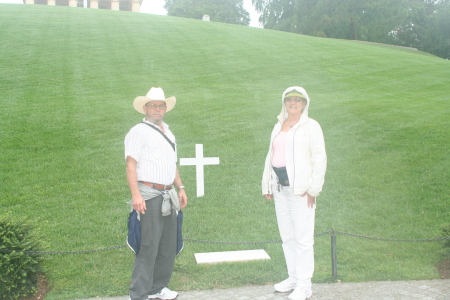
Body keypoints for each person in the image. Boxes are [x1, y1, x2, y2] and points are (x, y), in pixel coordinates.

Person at [262, 86, 327, 300]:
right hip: (280, 189)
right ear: (284, 102)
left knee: (303, 238)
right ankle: (293, 278)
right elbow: (271, 156)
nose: (293, 103)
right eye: (289, 99)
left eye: (297, 100)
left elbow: (319, 159)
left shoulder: (311, 126)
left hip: (301, 191)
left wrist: (313, 189)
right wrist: (268, 185)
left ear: (304, 103)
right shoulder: (278, 126)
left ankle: (305, 285)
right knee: (287, 236)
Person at [125, 87, 188, 300]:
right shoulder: (137, 131)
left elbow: (172, 165)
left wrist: (181, 187)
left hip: (168, 194)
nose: (157, 109)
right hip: (149, 196)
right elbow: (131, 165)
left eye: (161, 105)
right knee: (149, 246)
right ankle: (139, 294)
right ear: (145, 108)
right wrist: (136, 195)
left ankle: (157, 287)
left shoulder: (168, 132)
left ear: (166, 108)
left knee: (167, 245)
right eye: (153, 105)